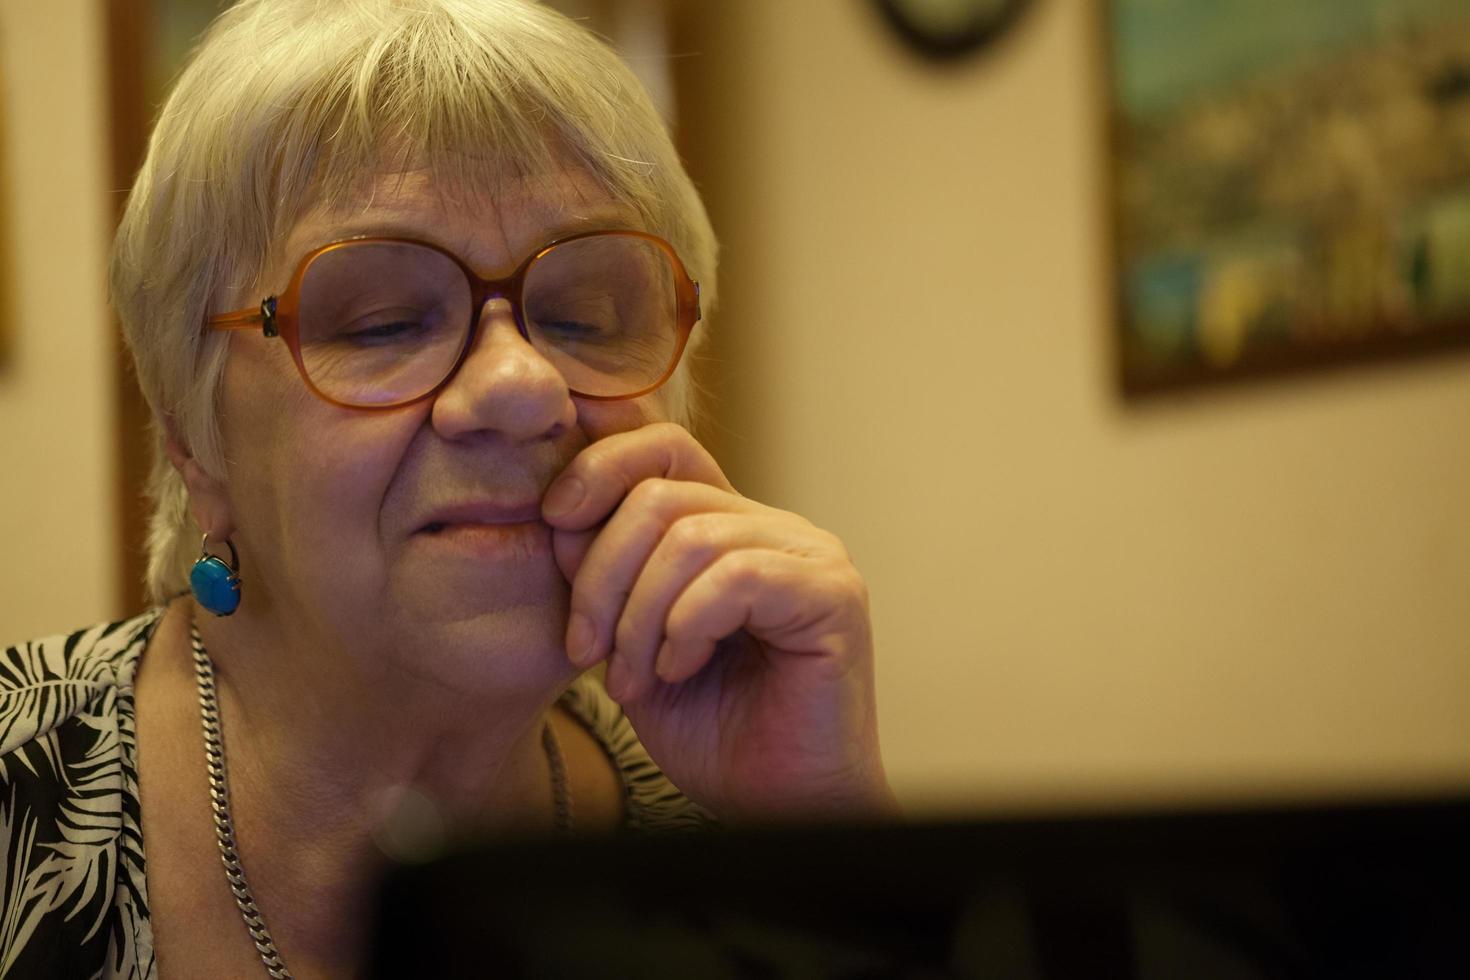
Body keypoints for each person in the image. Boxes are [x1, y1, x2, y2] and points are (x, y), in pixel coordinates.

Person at [0, 0, 897, 976]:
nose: (521, 387)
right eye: (382, 321)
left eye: (589, 316)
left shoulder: (722, 847)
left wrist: (833, 852)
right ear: (190, 434)